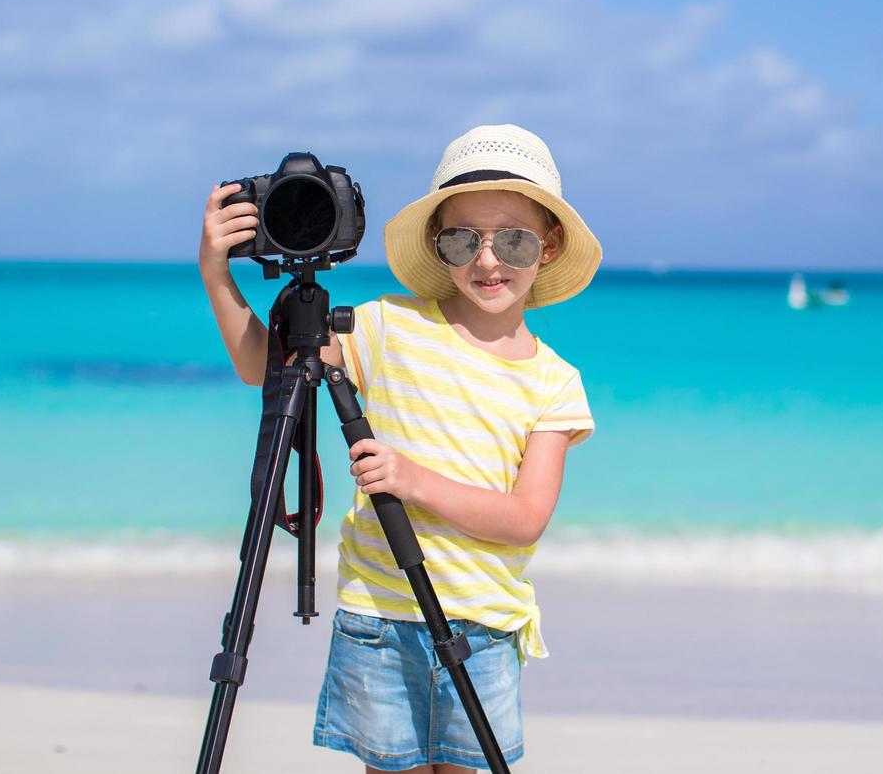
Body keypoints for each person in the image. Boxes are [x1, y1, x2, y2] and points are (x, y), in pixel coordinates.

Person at [198, 124, 602, 773]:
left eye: (515, 240)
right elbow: (261, 364)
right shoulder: (388, 326)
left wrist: (413, 481)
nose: (488, 260)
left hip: (485, 625)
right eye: (462, 239)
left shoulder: (556, 383)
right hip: (381, 617)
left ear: (549, 246)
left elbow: (525, 518)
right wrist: (216, 274)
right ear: (437, 245)